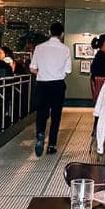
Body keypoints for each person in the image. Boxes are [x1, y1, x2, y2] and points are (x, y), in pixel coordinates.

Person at [29, 22, 71, 156]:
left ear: (49, 32)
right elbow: (68, 70)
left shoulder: (39, 48)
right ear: (62, 34)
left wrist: (42, 73)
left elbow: (32, 68)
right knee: (56, 115)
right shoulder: (65, 49)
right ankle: (52, 145)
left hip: (42, 84)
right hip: (58, 84)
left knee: (42, 112)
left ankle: (40, 134)